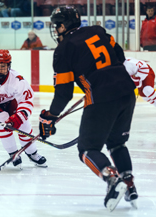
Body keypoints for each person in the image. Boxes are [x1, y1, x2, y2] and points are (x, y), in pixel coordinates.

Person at [39, 6, 138, 211]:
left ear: (64, 26)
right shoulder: (98, 31)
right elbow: (119, 57)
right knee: (117, 143)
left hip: (101, 98)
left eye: (57, 26)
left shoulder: (63, 49)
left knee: (87, 149)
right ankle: (129, 184)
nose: (56, 30)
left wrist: (51, 116)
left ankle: (112, 179)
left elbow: (64, 93)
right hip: (127, 91)